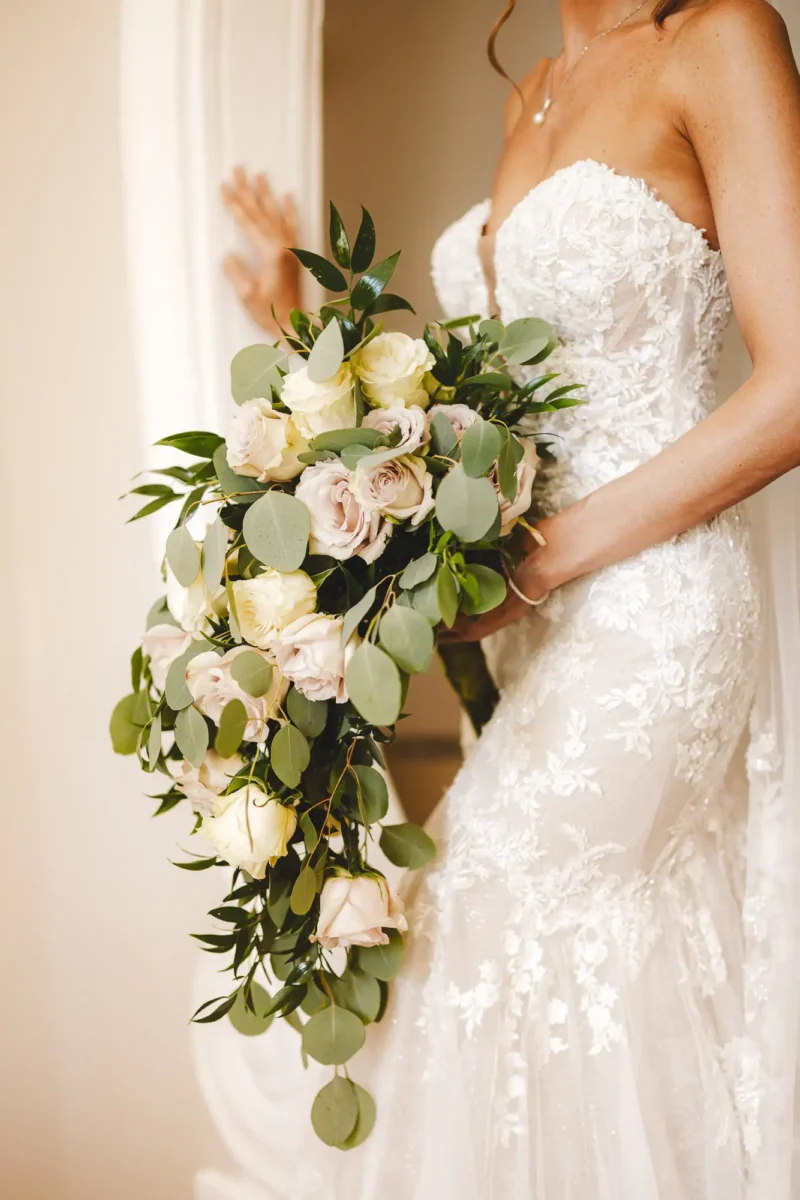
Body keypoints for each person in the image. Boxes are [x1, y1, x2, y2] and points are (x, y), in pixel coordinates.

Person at [218, 4, 800, 1195]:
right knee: (546, 945)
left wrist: (544, 558)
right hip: (538, 626)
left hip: (655, 608)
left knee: (507, 908)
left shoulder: (716, 34)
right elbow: (510, 401)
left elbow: (795, 387)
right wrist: (306, 340)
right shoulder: (530, 84)